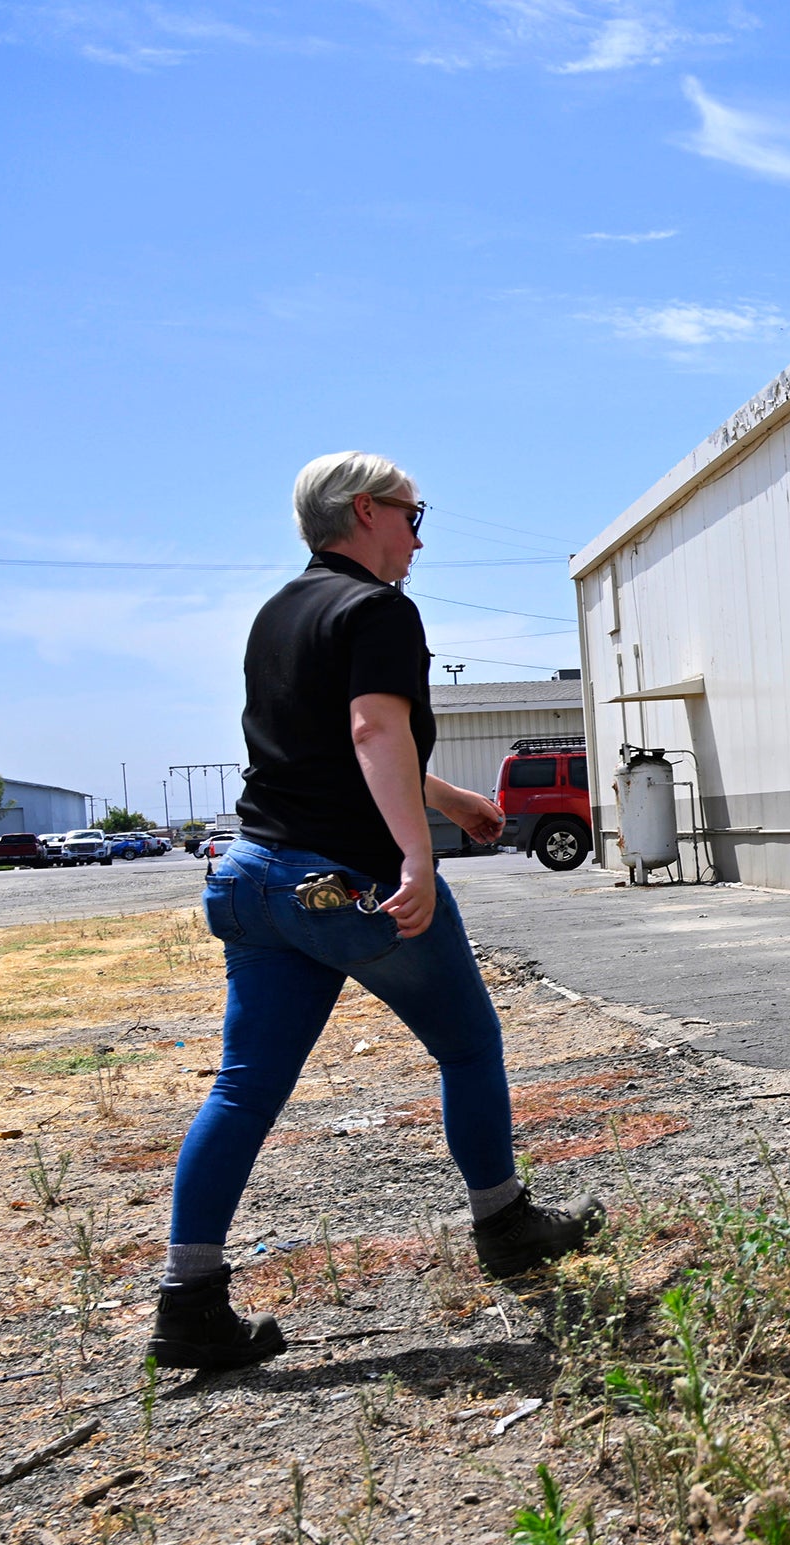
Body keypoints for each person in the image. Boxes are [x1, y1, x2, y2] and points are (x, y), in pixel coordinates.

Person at [151, 452, 603, 1370]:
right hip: (344, 884)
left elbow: (326, 747)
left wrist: (443, 798)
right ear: (364, 511)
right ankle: (505, 1226)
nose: (419, 534)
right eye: (411, 513)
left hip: (251, 878)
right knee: (468, 1046)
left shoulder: (279, 612)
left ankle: (187, 1301)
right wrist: (417, 854)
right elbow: (370, 730)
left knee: (243, 1086)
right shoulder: (380, 609)